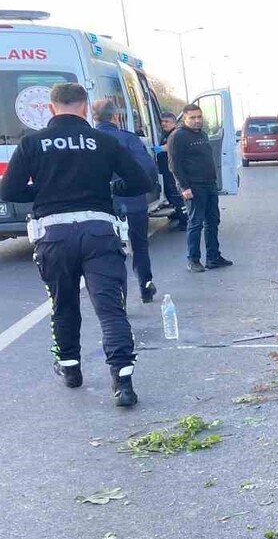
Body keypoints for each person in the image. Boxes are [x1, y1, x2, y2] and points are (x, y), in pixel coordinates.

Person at [0, 82, 151, 406]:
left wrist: (41, 194)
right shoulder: (104, 141)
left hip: (53, 235)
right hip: (99, 231)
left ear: (51, 108)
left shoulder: (32, 143)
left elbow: (8, 191)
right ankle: (123, 383)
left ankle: (71, 369)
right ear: (84, 107)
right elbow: (142, 181)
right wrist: (109, 189)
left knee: (63, 304)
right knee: (110, 308)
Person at [93, 99, 160, 303]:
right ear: (116, 116)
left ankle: (119, 295)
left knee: (110, 252)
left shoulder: (89, 140)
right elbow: (147, 169)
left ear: (94, 118)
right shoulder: (128, 139)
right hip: (132, 202)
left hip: (101, 207)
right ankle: (145, 287)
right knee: (139, 246)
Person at [168, 103, 233, 272]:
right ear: (184, 118)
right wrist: (184, 187)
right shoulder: (178, 136)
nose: (197, 120)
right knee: (195, 222)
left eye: (199, 117)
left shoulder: (202, 134)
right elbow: (174, 165)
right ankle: (193, 260)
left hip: (209, 185)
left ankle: (213, 257)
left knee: (213, 221)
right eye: (193, 118)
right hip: (193, 187)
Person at [155, 111, 187, 229]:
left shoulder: (175, 133)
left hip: (173, 170)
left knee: (176, 195)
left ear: (173, 122)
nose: (164, 124)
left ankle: (185, 220)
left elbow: (171, 146)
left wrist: (159, 149)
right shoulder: (165, 134)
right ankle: (178, 213)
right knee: (169, 193)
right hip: (166, 170)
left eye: (167, 121)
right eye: (162, 121)